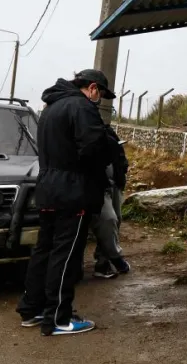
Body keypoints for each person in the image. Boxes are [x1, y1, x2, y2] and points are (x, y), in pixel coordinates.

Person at [17, 69, 116, 336]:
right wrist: (109, 151)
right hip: (74, 191)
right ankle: (59, 319)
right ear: (93, 88)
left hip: (49, 188)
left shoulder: (51, 107)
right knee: (67, 254)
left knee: (44, 251)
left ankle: (32, 309)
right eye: (102, 95)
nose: (100, 100)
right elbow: (93, 149)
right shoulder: (81, 107)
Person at [92, 125, 131, 279]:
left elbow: (120, 158)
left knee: (116, 220)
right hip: (97, 186)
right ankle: (115, 259)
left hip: (114, 184)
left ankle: (103, 262)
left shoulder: (107, 131)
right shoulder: (82, 131)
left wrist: (121, 172)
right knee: (108, 220)